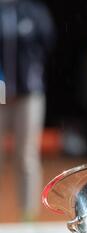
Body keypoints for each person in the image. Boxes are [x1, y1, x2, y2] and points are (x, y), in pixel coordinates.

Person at [0, 0, 55, 221]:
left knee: (26, 156)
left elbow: (47, 44)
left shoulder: (35, 13)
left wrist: (26, 76)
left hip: (29, 95)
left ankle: (28, 215)